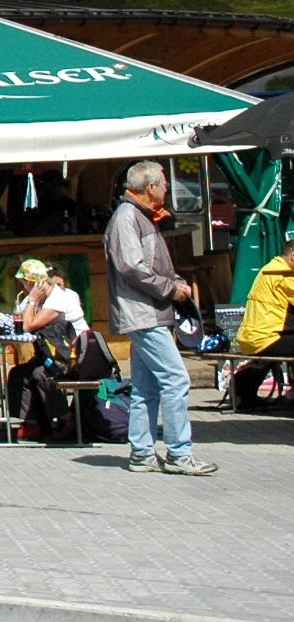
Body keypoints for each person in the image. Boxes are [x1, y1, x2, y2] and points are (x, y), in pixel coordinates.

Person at [106, 160, 215, 476]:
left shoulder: (140, 216)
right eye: (164, 183)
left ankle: (142, 453)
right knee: (176, 379)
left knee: (146, 385)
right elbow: (132, 266)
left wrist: (174, 282)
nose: (167, 188)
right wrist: (170, 288)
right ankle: (179, 452)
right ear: (150, 187)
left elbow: (148, 264)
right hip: (143, 313)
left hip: (148, 311)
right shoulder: (127, 217)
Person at [231, 237, 294, 407]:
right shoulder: (282, 274)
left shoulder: (271, 268)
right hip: (265, 338)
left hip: (254, 336)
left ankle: (244, 390)